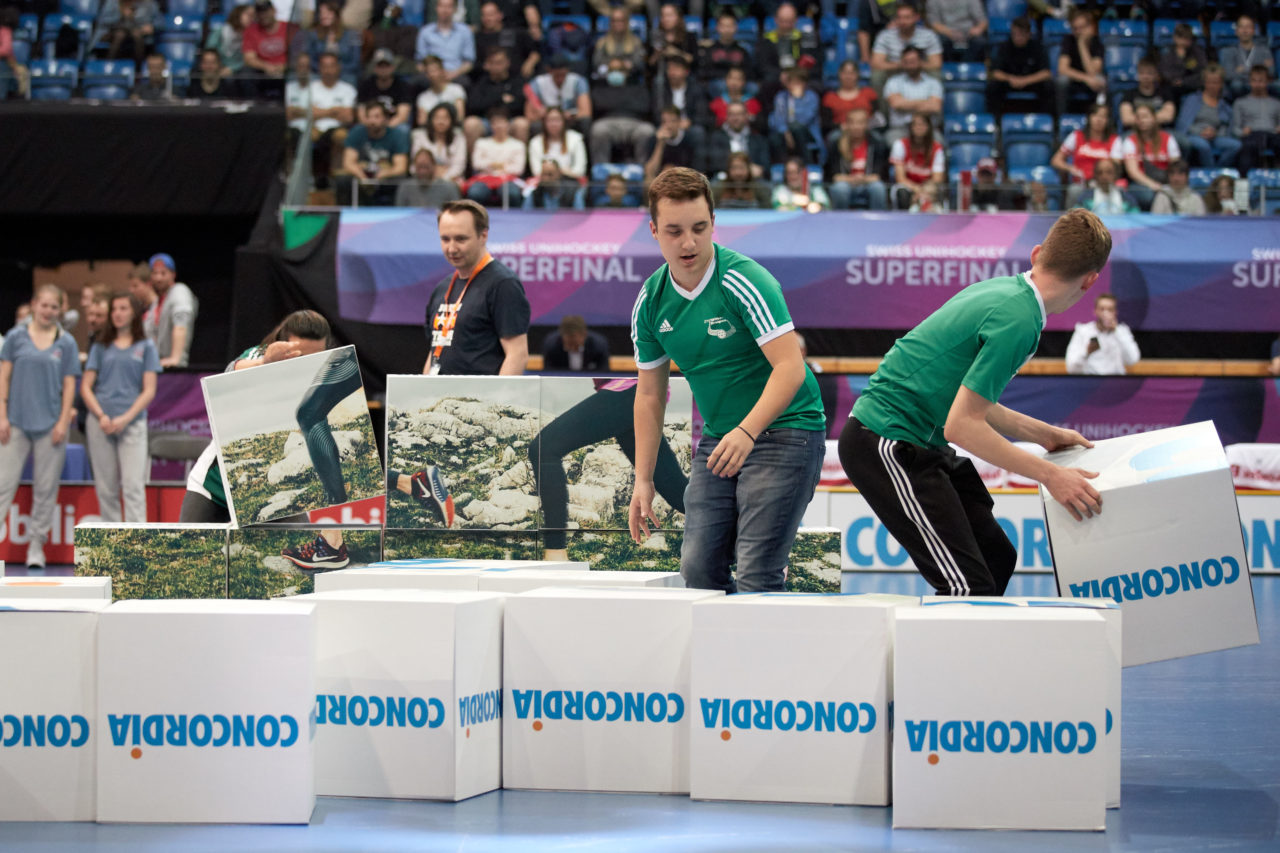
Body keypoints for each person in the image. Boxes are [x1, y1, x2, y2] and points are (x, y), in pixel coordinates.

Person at [837, 209, 1112, 597]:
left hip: (916, 439)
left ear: (1037, 254)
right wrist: (1050, 475)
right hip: (886, 440)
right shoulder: (1020, 321)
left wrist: (1044, 434)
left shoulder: (1005, 293)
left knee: (996, 557)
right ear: (1090, 281)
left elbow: (970, 402)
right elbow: (963, 426)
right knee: (966, 587)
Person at [629, 167, 826, 593]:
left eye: (700, 228)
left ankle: (762, 655)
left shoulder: (744, 280)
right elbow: (649, 395)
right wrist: (642, 480)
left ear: (714, 224)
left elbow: (791, 367)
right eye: (674, 231)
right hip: (721, 439)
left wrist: (747, 430)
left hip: (789, 430)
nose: (688, 242)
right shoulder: (650, 301)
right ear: (654, 231)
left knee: (757, 573)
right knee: (697, 572)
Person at [533, 378, 687, 562]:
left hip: (631, 390)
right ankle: (727, 524)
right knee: (676, 490)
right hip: (632, 392)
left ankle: (555, 554)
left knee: (543, 448)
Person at [0, 285, 81, 569]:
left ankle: (37, 547)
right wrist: (1, 416)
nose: (48, 311)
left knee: (46, 490)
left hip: (51, 427)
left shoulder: (67, 343)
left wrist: (62, 421)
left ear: (60, 310)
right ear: (34, 305)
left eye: (54, 307)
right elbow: (4, 377)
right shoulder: (15, 337)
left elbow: (70, 384)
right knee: (2, 486)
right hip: (15, 424)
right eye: (44, 305)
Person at [423, 200, 530, 375]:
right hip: (440, 398)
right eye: (445, 239)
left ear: (483, 235)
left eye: (461, 239)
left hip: (480, 400)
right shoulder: (442, 288)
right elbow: (434, 350)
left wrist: (498, 402)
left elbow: (517, 354)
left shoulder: (503, 284)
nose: (451, 248)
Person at [80, 293, 160, 523]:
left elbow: (149, 390)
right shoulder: (100, 346)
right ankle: (112, 548)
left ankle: (137, 550)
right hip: (100, 424)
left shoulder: (146, 347)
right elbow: (86, 387)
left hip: (132, 424)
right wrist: (101, 416)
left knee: (133, 487)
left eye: (123, 308)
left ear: (134, 313)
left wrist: (125, 419)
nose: (117, 313)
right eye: (114, 308)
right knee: (106, 489)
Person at [338, 100, 411, 206]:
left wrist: (385, 174)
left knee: (401, 180)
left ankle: (396, 214)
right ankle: (345, 215)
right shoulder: (357, 132)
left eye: (376, 117)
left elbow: (401, 167)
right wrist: (362, 176)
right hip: (362, 174)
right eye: (369, 117)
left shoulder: (397, 135)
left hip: (385, 176)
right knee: (343, 180)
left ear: (385, 119)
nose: (372, 121)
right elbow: (348, 163)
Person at [1052, 103, 1121, 208]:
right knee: (1074, 190)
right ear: (1089, 118)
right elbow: (1056, 160)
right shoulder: (1076, 136)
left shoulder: (1115, 140)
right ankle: (1071, 221)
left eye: (1103, 116)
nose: (1099, 120)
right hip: (1082, 184)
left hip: (1104, 183)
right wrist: (1070, 168)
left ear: (1108, 121)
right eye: (1095, 115)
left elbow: (1116, 165)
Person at [589, 57, 653, 166]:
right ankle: (600, 171)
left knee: (647, 131)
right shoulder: (600, 88)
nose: (615, 73)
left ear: (626, 73)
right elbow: (598, 106)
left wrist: (612, 103)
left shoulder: (637, 88)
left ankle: (642, 171)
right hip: (608, 122)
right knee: (598, 130)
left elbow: (643, 107)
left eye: (619, 70)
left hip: (634, 122)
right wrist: (626, 103)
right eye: (612, 70)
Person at [1176, 64, 1241, 169]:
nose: (1212, 85)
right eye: (1209, 82)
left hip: (1215, 137)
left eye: (1216, 82)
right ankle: (1212, 173)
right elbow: (1183, 123)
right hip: (1193, 135)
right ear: (1204, 83)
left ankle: (1219, 169)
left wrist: (1215, 133)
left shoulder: (1224, 105)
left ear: (1221, 84)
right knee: (1203, 146)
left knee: (1236, 145)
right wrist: (1200, 132)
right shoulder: (1192, 99)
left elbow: (1226, 126)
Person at [870, 1, 942, 94]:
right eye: (900, 18)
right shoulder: (885, 36)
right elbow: (876, 63)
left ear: (916, 17)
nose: (903, 21)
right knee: (877, 76)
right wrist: (900, 65)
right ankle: (882, 108)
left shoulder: (929, 36)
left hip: (920, 70)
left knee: (936, 74)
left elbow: (936, 64)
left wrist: (914, 64)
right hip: (895, 69)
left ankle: (933, 104)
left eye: (907, 18)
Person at [985, 16, 1053, 116]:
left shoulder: (1038, 47)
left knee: (1048, 87)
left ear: (1028, 34)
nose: (1017, 38)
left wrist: (1025, 80)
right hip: (1010, 82)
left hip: (1031, 82)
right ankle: (996, 121)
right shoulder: (1005, 47)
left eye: (1021, 34)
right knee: (993, 86)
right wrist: (1010, 78)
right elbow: (995, 72)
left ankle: (1047, 122)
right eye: (1014, 34)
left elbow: (1046, 73)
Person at [757, 2, 821, 105]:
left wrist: (796, 76)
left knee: (817, 87)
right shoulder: (767, 41)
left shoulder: (805, 39)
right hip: (777, 78)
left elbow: (815, 63)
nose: (786, 25)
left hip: (801, 78)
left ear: (796, 20)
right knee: (766, 85)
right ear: (776, 20)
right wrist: (781, 75)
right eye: (783, 21)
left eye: (789, 21)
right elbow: (763, 66)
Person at [464, 47, 530, 146]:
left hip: (510, 121)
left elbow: (520, 105)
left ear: (507, 62)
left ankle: (521, 160)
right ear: (487, 65)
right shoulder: (481, 82)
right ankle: (473, 161)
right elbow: (473, 105)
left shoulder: (517, 81)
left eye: (499, 62)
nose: (496, 66)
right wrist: (500, 97)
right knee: (470, 124)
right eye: (493, 63)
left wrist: (489, 100)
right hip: (487, 122)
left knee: (522, 124)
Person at [1122, 103, 1182, 211]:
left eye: (1145, 116)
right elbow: (1133, 172)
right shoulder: (1130, 140)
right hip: (1140, 183)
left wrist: (1168, 184)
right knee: (1148, 196)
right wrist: (1153, 185)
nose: (1142, 120)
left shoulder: (1168, 139)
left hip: (1165, 180)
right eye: (1138, 117)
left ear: (1154, 118)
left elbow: (1175, 166)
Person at [828, 108, 890, 211]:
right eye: (852, 123)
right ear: (846, 125)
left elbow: (877, 177)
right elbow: (835, 177)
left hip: (868, 184)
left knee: (878, 188)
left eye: (860, 123)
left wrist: (862, 179)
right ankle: (839, 222)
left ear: (866, 125)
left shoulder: (876, 144)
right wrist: (852, 179)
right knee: (840, 188)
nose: (856, 127)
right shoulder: (836, 144)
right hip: (846, 184)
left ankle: (878, 223)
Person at [1065, 291, 1140, 375]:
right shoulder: (1083, 331)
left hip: (1115, 381)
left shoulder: (1122, 331)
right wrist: (1086, 352)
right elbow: (1070, 368)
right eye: (1102, 309)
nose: (1106, 313)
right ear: (1095, 311)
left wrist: (1117, 332)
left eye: (1110, 309)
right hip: (1090, 381)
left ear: (1115, 312)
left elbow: (1133, 360)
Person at [464, 106, 526, 207]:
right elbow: (477, 164)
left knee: (511, 193)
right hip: (484, 179)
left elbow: (518, 168)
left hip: (508, 179)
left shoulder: (518, 145)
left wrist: (491, 165)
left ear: (508, 124)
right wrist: (502, 165)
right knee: (475, 192)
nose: (499, 126)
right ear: (490, 126)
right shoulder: (481, 143)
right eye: (495, 123)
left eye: (502, 122)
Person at [883, 45, 943, 146]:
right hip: (901, 130)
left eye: (913, 61)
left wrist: (906, 104)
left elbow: (935, 107)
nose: (910, 65)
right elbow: (896, 104)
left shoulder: (933, 83)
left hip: (928, 130)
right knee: (894, 142)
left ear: (921, 61)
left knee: (939, 142)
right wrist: (925, 103)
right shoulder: (893, 82)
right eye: (906, 62)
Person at [149, 253, 198, 368]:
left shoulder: (179, 291)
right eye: (155, 273)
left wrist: (175, 359)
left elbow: (181, 325)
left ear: (173, 275)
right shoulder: (158, 301)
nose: (158, 278)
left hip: (175, 368)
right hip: (161, 364)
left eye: (163, 273)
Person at [524, 53, 592, 137]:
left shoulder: (578, 81)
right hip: (546, 121)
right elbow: (529, 115)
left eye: (563, 75)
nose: (560, 79)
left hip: (569, 120)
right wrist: (542, 114)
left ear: (568, 71)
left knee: (585, 122)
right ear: (549, 71)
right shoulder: (537, 83)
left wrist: (570, 115)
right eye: (557, 75)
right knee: (534, 126)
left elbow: (586, 112)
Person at [768, 67, 824, 166]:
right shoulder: (781, 97)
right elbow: (778, 118)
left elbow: (805, 119)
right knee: (775, 138)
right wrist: (785, 132)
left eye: (798, 82)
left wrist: (797, 99)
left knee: (797, 128)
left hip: (808, 134)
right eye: (792, 82)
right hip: (786, 134)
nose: (794, 86)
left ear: (804, 84)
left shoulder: (811, 97)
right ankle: (782, 169)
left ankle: (808, 165)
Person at [473, 0, 539, 82]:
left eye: (490, 15)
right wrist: (490, 66)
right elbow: (476, 63)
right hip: (490, 81)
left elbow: (535, 52)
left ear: (500, 15)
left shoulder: (517, 32)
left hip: (519, 78)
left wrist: (529, 63)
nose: (487, 18)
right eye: (484, 15)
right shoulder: (478, 38)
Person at [890, 112, 945, 211]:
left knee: (936, 190)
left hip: (928, 187)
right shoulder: (900, 145)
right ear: (910, 127)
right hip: (909, 186)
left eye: (922, 124)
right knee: (901, 192)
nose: (918, 127)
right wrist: (917, 190)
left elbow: (937, 178)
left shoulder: (937, 148)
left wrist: (924, 191)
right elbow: (900, 178)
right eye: (915, 124)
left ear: (928, 127)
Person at [1056, 8, 1105, 117]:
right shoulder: (1068, 40)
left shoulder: (1097, 43)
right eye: (1075, 29)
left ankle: (1098, 118)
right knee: (1061, 81)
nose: (1078, 32)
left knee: (1101, 81)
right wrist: (1086, 78)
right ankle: (1060, 118)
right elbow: (1062, 69)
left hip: (1091, 83)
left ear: (1090, 27)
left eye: (1082, 28)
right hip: (1074, 81)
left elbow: (1093, 72)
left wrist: (1082, 46)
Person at [1232, 65, 1280, 176]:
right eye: (1254, 80)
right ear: (1249, 82)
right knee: (1247, 148)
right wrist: (1242, 132)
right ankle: (1244, 182)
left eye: (1261, 81)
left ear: (1268, 81)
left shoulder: (1276, 103)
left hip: (1273, 134)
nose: (1257, 84)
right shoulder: (1240, 102)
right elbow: (1235, 128)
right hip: (1252, 135)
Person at [821, 60, 879, 149]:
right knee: (833, 138)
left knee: (879, 139)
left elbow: (877, 115)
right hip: (842, 131)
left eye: (852, 73)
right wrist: (841, 126)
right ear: (839, 75)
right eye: (845, 73)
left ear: (857, 75)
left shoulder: (868, 93)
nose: (848, 77)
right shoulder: (830, 97)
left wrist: (864, 126)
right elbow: (825, 123)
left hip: (866, 129)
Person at [414, 0, 475, 82]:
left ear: (455, 9)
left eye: (449, 6)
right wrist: (433, 74)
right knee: (417, 81)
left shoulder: (465, 31)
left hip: (456, 75)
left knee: (465, 82)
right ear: (436, 8)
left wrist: (454, 74)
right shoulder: (425, 31)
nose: (445, 10)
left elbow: (469, 63)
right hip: (430, 76)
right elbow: (419, 63)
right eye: (441, 6)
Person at [243, 0, 292, 98]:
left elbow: (298, 55)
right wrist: (266, 66)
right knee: (246, 73)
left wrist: (284, 66)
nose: (263, 15)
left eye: (266, 11)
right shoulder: (251, 30)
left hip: (286, 69)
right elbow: (249, 58)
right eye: (260, 13)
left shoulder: (289, 28)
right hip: (263, 72)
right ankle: (253, 107)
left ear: (274, 11)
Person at [708, 101, 770, 178]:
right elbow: (714, 163)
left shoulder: (758, 139)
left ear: (746, 116)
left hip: (752, 180)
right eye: (732, 114)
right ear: (726, 116)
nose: (735, 118)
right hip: (725, 179)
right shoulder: (716, 137)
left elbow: (765, 164)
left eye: (739, 114)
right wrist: (740, 169)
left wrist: (759, 170)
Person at [1219, 15, 1274, 100]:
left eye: (1248, 27)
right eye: (1241, 27)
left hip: (1260, 86)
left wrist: (1242, 71)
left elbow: (1270, 72)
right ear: (1236, 31)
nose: (1245, 31)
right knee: (1236, 85)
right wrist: (1256, 72)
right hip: (1238, 89)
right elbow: (1228, 75)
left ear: (1254, 31)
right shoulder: (1228, 51)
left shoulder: (1264, 51)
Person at [306, 0, 361, 85]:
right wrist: (324, 70)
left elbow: (355, 62)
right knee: (310, 79)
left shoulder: (352, 34)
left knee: (351, 79)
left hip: (344, 73)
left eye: (328, 12)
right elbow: (310, 59)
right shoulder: (313, 35)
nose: (324, 16)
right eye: (321, 13)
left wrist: (335, 70)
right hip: (320, 74)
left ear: (336, 14)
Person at [411, 102, 467, 185]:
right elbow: (415, 164)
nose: (441, 121)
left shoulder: (459, 138)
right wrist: (434, 173)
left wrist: (443, 178)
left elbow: (459, 166)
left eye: (445, 118)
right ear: (431, 120)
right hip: (424, 178)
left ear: (452, 120)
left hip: (451, 179)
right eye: (437, 118)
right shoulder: (420, 136)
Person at [1118, 57, 1177, 135]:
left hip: (1160, 131)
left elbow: (1168, 116)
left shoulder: (1165, 93)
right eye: (1142, 73)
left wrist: (1144, 120)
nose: (1145, 76)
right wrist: (1149, 120)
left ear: (1156, 75)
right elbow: (1126, 119)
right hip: (1134, 132)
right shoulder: (1129, 94)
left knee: (1183, 142)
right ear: (1138, 75)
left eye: (1149, 73)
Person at [358, 49, 414, 129]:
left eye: (386, 66)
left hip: (393, 126)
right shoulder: (366, 85)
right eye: (380, 66)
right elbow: (361, 114)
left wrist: (385, 130)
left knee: (403, 129)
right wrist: (372, 125)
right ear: (375, 68)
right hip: (371, 125)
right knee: (358, 129)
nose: (383, 69)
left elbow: (402, 116)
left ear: (392, 68)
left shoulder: (402, 86)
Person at [528, 106, 587, 182]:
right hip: (544, 183)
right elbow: (536, 171)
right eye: (550, 120)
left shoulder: (576, 139)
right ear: (544, 123)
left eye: (557, 120)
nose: (554, 124)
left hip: (570, 182)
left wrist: (555, 172)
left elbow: (580, 170)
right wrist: (562, 171)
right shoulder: (535, 142)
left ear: (563, 121)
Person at [645, 105, 701, 181]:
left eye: (673, 121)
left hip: (683, 179)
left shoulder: (689, 139)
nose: (668, 125)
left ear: (680, 122)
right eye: (664, 122)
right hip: (659, 180)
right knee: (648, 180)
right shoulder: (654, 139)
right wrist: (660, 144)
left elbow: (696, 170)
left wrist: (673, 171)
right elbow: (650, 172)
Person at [592, 6, 646, 83]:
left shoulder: (636, 42)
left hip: (630, 82)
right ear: (610, 23)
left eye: (621, 20)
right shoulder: (602, 42)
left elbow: (640, 64)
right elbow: (596, 63)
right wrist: (610, 64)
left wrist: (622, 65)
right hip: (605, 82)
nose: (617, 24)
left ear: (626, 22)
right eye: (614, 21)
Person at [97, 0, 158, 66]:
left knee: (136, 34)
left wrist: (152, 26)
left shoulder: (149, 3)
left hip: (139, 33)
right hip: (115, 31)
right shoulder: (112, 2)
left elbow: (160, 22)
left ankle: (138, 69)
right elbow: (103, 20)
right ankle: (108, 65)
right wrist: (121, 15)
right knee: (120, 34)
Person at [1157, 22, 1207, 103]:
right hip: (1173, 85)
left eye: (1187, 38)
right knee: (1167, 90)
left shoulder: (1198, 52)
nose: (1184, 42)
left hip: (1191, 85)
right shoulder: (1167, 52)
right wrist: (1180, 59)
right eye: (1181, 38)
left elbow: (1202, 73)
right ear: (1175, 38)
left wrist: (1184, 81)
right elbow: (1165, 72)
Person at [698, 11, 752, 84]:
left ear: (736, 28)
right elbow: (705, 72)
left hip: (739, 85)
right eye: (723, 26)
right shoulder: (710, 50)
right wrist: (727, 77)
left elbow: (749, 72)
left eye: (730, 26)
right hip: (717, 84)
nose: (727, 30)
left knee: (752, 87)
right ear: (717, 28)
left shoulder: (742, 51)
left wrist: (735, 79)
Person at [396, 148, 463, 206]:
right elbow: (399, 213)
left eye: (426, 167)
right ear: (415, 168)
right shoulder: (406, 187)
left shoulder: (450, 188)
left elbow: (457, 214)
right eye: (420, 167)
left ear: (434, 166)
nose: (423, 172)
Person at [541, 315, 609, 371]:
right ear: (561, 336)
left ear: (584, 335)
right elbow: (549, 374)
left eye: (575, 344)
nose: (573, 348)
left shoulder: (598, 346)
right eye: (569, 344)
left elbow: (603, 375)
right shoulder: (552, 347)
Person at [415, 55, 466, 128]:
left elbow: (459, 118)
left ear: (442, 71)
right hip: (431, 133)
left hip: (453, 132)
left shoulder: (456, 90)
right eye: (428, 72)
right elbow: (422, 121)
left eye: (434, 70)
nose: (432, 74)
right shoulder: (422, 97)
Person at [205, 3, 251, 83]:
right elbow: (210, 51)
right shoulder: (221, 32)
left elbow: (248, 58)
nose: (252, 18)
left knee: (246, 75)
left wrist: (232, 68)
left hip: (240, 69)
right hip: (220, 67)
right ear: (238, 15)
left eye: (253, 16)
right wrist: (219, 67)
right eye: (248, 15)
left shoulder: (251, 35)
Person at [127, 262, 158, 342]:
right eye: (130, 286)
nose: (131, 290)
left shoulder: (160, 306)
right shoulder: (138, 308)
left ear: (148, 284)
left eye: (135, 286)